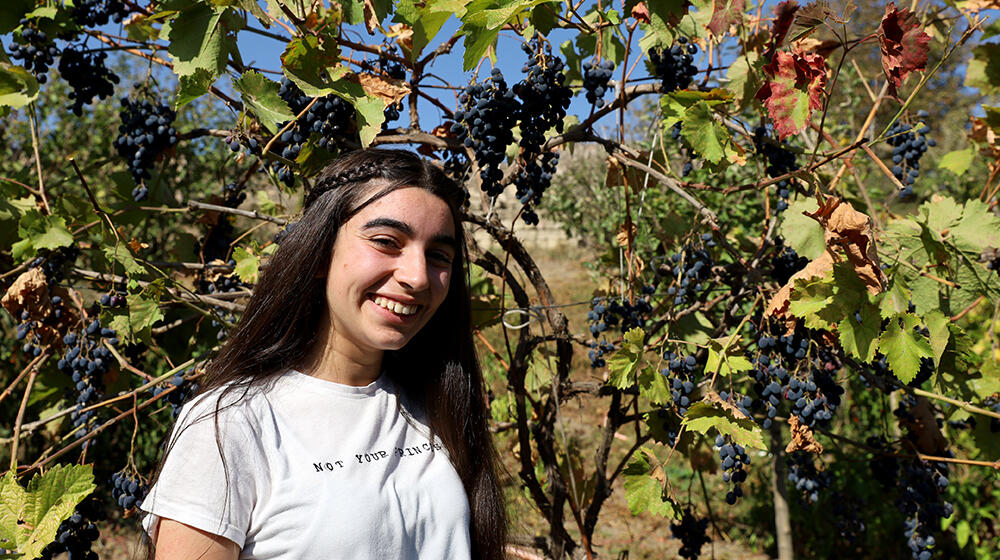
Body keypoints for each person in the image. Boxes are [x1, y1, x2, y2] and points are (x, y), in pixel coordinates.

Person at [138, 148, 507, 560]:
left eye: (439, 256)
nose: (418, 277)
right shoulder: (231, 426)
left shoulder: (438, 402)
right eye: (386, 242)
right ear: (319, 253)